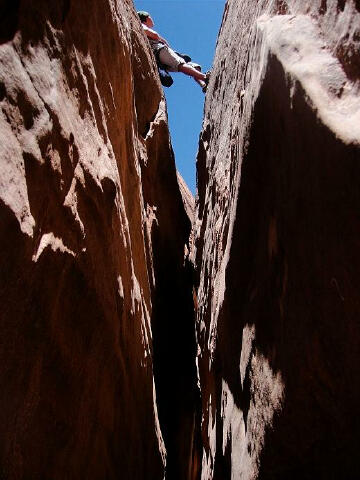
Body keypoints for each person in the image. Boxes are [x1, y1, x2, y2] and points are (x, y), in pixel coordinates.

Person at [137, 11, 210, 92]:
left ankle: (203, 85)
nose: (151, 18)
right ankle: (205, 77)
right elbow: (154, 34)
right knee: (180, 65)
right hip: (160, 50)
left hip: (160, 60)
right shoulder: (141, 25)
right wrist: (163, 41)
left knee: (192, 66)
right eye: (149, 16)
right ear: (146, 18)